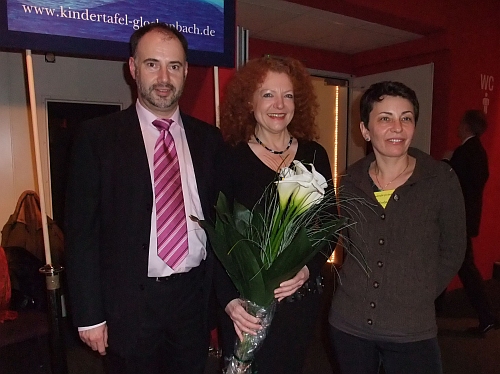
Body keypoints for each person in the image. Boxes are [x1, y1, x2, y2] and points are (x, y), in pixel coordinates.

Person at [65, 23, 223, 374]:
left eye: (175, 66)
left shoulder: (210, 141)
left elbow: (222, 221)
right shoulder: (97, 138)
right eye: (153, 64)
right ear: (133, 68)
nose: (164, 76)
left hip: (192, 301)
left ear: (186, 72)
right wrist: (89, 314)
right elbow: (81, 234)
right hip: (129, 305)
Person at [328, 81, 466, 374]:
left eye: (406, 118)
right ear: (365, 130)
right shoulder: (351, 181)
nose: (397, 127)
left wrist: (421, 290)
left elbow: (453, 248)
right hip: (349, 324)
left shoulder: (440, 179)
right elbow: (350, 244)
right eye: (385, 118)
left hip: (411, 329)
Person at [216, 56, 333, 374]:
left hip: (298, 300)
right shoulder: (230, 157)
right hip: (245, 306)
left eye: (288, 95)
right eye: (268, 94)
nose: (279, 104)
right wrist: (228, 300)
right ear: (249, 101)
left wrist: (308, 269)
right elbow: (214, 236)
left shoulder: (314, 154)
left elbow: (330, 225)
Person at [446, 109, 499, 335]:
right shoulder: (479, 152)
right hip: (467, 218)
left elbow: (452, 183)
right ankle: (487, 316)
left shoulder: (464, 152)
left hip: (457, 219)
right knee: (460, 264)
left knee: (465, 267)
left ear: (467, 125)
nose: (458, 126)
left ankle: (487, 316)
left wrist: (446, 161)